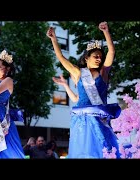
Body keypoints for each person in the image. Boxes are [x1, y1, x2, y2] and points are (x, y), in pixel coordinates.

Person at [47, 22, 121, 158]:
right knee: (82, 151)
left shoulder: (103, 72)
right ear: (86, 58)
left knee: (101, 151)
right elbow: (61, 58)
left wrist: (106, 32)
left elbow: (112, 51)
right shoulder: (78, 73)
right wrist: (54, 40)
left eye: (100, 56)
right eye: (95, 56)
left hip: (99, 119)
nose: (99, 58)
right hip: (82, 120)